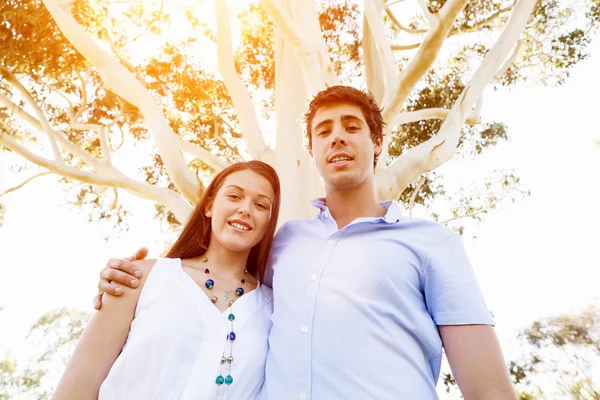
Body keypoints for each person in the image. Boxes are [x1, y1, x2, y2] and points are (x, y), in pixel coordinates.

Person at [94, 86, 517, 399]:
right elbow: (218, 287)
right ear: (311, 149)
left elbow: (488, 390)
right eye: (324, 131)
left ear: (377, 145)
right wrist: (132, 281)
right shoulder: (284, 243)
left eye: (352, 127)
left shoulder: (432, 244)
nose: (337, 137)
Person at [52, 161, 281, 400]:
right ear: (210, 206)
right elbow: (77, 385)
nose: (245, 209)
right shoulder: (139, 278)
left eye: (260, 205)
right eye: (234, 196)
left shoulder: (274, 309)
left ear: (267, 224)